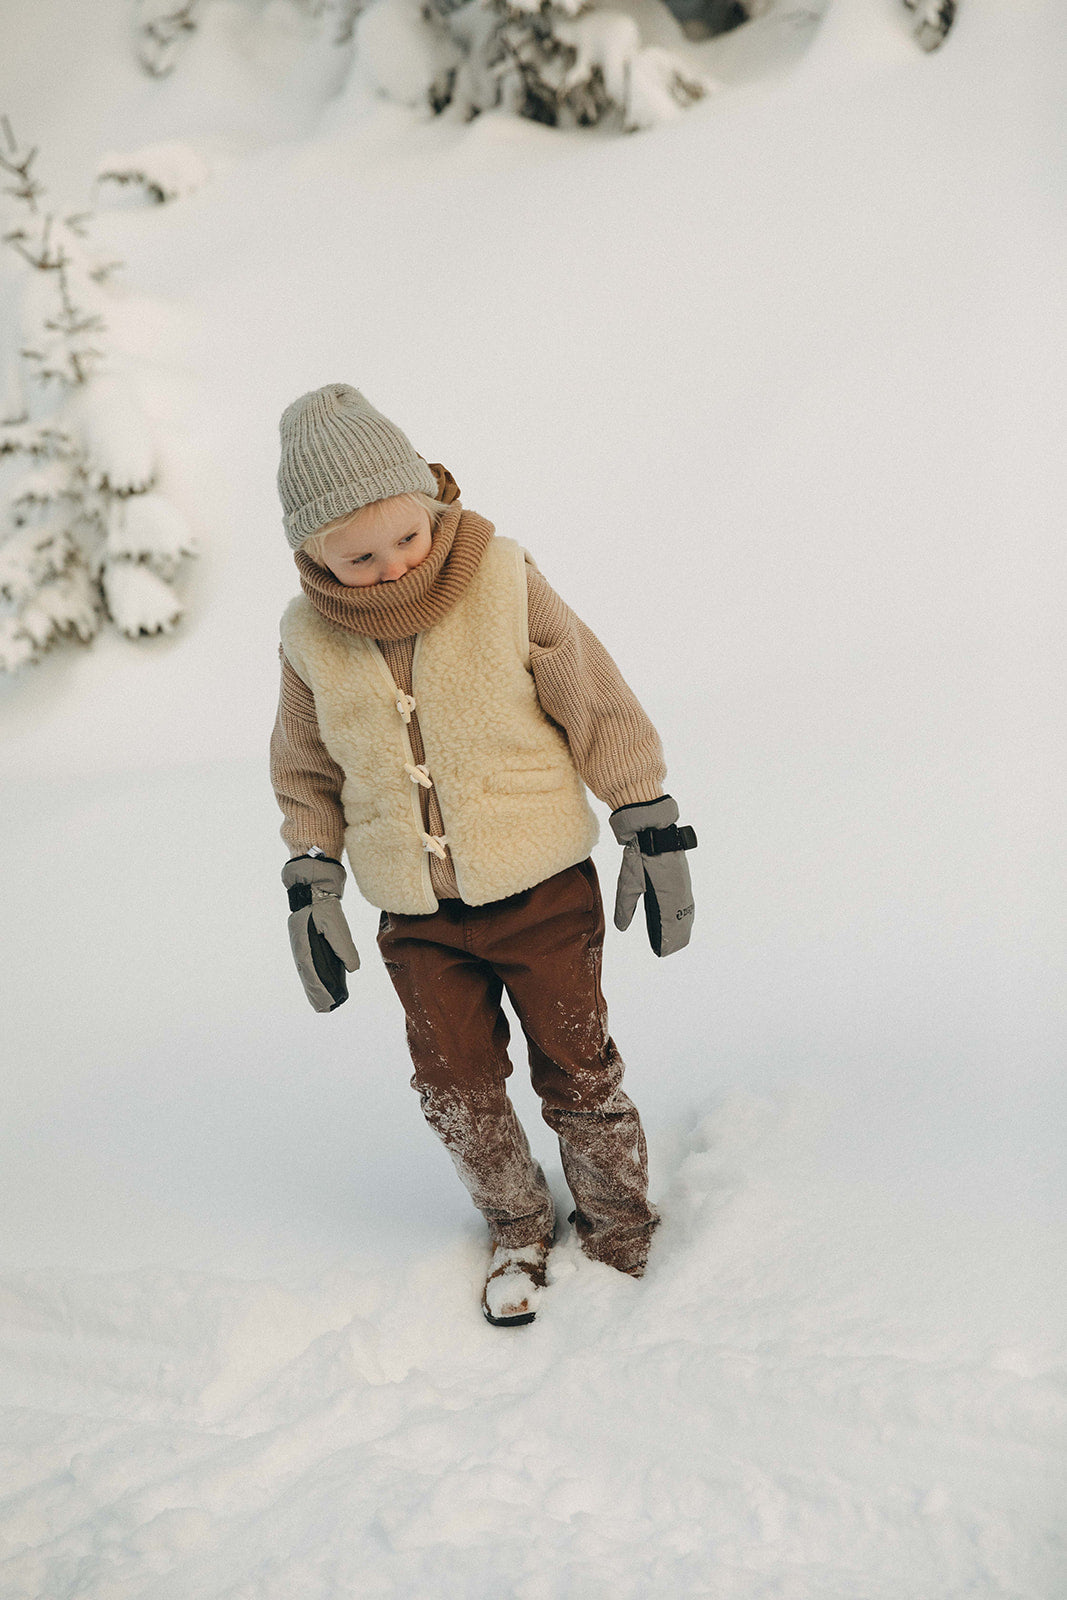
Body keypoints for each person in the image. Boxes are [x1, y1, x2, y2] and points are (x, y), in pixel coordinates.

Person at [270, 383, 696, 1326]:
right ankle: (514, 1225)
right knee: (453, 1083)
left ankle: (618, 1222)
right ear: (313, 556)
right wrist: (311, 876)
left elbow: (594, 698)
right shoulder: (310, 638)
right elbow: (304, 770)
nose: (389, 567)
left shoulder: (501, 579)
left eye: (407, 539)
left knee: (576, 1062)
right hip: (416, 919)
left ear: (432, 500)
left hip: (543, 888)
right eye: (358, 556)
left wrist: (646, 813)